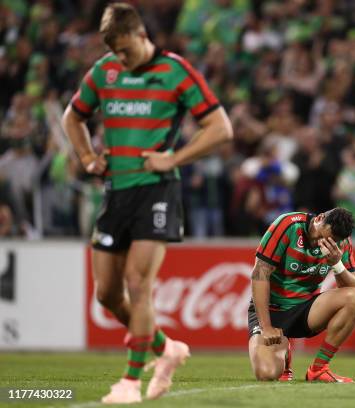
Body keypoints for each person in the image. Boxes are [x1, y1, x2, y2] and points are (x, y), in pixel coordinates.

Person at [61, 3, 233, 403]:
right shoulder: (103, 72)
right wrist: (87, 157)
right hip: (115, 192)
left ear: (142, 36)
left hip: (157, 190)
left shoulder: (175, 71)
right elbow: (74, 116)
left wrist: (174, 158)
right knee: (106, 294)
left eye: (126, 49)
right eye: (115, 52)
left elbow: (220, 128)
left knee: (139, 284)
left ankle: (129, 381)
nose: (121, 58)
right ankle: (164, 348)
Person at [248, 208, 355, 382]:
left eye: (329, 241)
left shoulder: (341, 243)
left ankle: (318, 369)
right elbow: (260, 273)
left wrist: (337, 264)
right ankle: (284, 352)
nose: (320, 244)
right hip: (272, 311)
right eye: (321, 237)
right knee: (266, 374)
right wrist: (266, 326)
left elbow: (354, 286)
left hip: (306, 310)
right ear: (320, 218)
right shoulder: (288, 225)